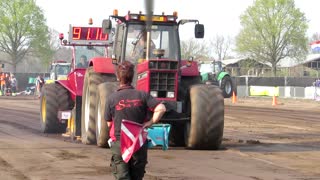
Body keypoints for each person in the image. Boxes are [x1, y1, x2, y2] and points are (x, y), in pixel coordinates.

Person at [105, 61, 166, 180]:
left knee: (123, 177)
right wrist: (149, 123)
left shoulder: (111, 98)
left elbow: (109, 123)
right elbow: (161, 108)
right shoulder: (142, 95)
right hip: (138, 143)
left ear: (118, 77)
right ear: (133, 77)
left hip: (120, 143)